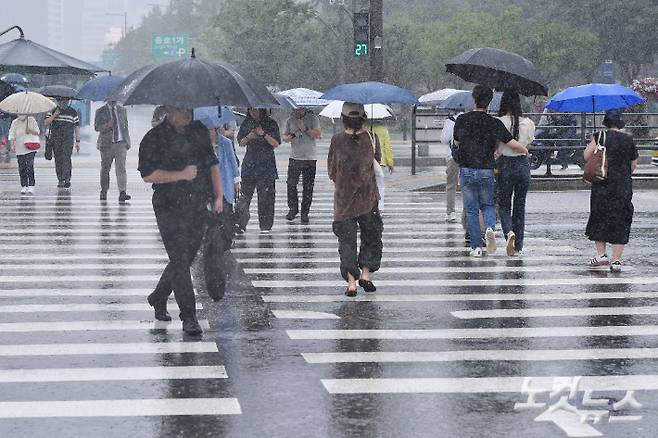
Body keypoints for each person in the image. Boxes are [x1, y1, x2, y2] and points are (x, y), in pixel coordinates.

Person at [138, 106, 223, 335]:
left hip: (197, 204)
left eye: (189, 107)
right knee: (179, 259)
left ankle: (158, 296)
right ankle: (189, 317)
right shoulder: (154, 137)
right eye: (181, 108)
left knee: (184, 259)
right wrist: (181, 175)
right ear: (168, 109)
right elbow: (147, 175)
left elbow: (212, 164)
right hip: (168, 205)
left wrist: (218, 196)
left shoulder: (199, 131)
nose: (187, 113)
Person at [453, 85, 529, 257]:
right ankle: (489, 227)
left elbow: (456, 142)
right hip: (486, 170)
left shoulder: (462, 120)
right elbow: (511, 143)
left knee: (471, 209)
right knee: (488, 205)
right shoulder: (493, 122)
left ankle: (476, 247)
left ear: (473, 100)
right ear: (488, 103)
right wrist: (524, 150)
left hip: (466, 169)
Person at [327, 103, 383, 297]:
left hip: (344, 201)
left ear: (343, 119)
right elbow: (377, 164)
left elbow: (332, 170)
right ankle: (366, 275)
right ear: (363, 118)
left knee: (347, 242)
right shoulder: (372, 138)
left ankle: (351, 282)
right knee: (371, 237)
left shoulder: (336, 140)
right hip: (368, 198)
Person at [584, 109, 638, 272]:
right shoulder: (628, 139)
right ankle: (616, 261)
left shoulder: (600, 136)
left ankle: (601, 255)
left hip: (602, 184)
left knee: (600, 216)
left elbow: (586, 156)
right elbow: (633, 165)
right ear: (620, 123)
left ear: (605, 123)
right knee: (620, 219)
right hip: (622, 186)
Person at [496, 90, 535, 256]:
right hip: (522, 165)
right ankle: (518, 245)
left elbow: (497, 145)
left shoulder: (499, 122)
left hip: (505, 164)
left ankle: (508, 232)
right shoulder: (529, 123)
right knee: (520, 206)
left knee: (504, 204)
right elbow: (528, 146)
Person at [234, 108, 280, 233]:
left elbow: (276, 143)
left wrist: (263, 134)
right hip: (250, 165)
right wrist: (249, 136)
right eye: (251, 109)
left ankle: (265, 225)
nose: (253, 112)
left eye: (256, 109)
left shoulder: (271, 123)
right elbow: (241, 142)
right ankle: (240, 223)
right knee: (244, 197)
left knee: (266, 198)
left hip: (267, 165)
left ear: (262, 110)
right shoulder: (247, 123)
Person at [282, 107, 321, 224]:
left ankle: (305, 212)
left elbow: (318, 134)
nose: (295, 111)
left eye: (297, 109)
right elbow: (284, 136)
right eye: (293, 109)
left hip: (310, 158)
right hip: (295, 157)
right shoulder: (290, 120)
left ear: (303, 109)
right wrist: (288, 137)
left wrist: (305, 129)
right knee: (291, 184)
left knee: (308, 186)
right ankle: (293, 209)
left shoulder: (313, 118)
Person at [94, 99, 131, 203]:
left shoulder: (122, 110)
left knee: (121, 168)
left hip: (120, 143)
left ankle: (122, 192)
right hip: (106, 144)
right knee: (106, 168)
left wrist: (127, 142)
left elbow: (125, 126)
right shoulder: (100, 111)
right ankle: (104, 190)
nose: (114, 99)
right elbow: (97, 127)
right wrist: (107, 125)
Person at [44, 98, 80, 188]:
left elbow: (77, 126)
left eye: (66, 101)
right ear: (58, 101)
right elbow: (46, 122)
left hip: (68, 139)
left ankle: (67, 179)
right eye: (62, 101)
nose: (64, 102)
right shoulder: (53, 110)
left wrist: (78, 141)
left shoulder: (73, 112)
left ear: (68, 101)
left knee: (66, 158)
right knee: (58, 159)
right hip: (56, 139)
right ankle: (60, 179)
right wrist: (54, 115)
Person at [440, 110, 463, 222]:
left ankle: (451, 212)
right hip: (468, 157)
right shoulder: (468, 119)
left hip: (452, 156)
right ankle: (468, 212)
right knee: (467, 186)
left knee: (451, 185)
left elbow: (444, 139)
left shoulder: (449, 121)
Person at [8, 114, 39, 194]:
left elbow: (37, 132)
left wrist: (30, 131)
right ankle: (24, 185)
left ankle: (31, 185)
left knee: (29, 165)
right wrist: (12, 144)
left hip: (30, 146)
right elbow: (11, 134)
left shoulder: (31, 119)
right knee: (22, 167)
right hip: (19, 147)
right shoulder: (15, 122)